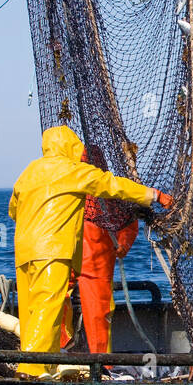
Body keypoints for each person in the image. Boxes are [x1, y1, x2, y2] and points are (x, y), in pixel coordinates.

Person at [9, 126, 172, 377]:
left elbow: (13, 210)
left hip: (24, 251)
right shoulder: (73, 171)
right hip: (54, 252)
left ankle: (47, 364)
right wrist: (154, 195)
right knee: (47, 307)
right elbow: (114, 186)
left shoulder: (28, 172)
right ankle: (31, 370)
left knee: (32, 310)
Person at [61, 145, 142, 355]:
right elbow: (129, 220)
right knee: (77, 305)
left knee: (89, 309)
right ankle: (73, 351)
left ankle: (78, 356)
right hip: (79, 260)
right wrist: (123, 243)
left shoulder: (73, 186)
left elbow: (128, 222)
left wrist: (123, 243)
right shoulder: (109, 189)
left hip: (88, 262)